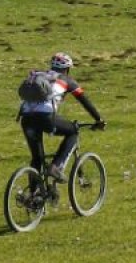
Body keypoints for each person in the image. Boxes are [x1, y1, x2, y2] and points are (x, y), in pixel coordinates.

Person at [18, 52, 106, 181]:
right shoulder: (67, 80)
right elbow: (85, 101)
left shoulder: (39, 76)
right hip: (46, 118)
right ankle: (56, 167)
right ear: (67, 68)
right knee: (73, 132)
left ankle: (33, 197)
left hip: (26, 119)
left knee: (37, 158)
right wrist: (98, 119)